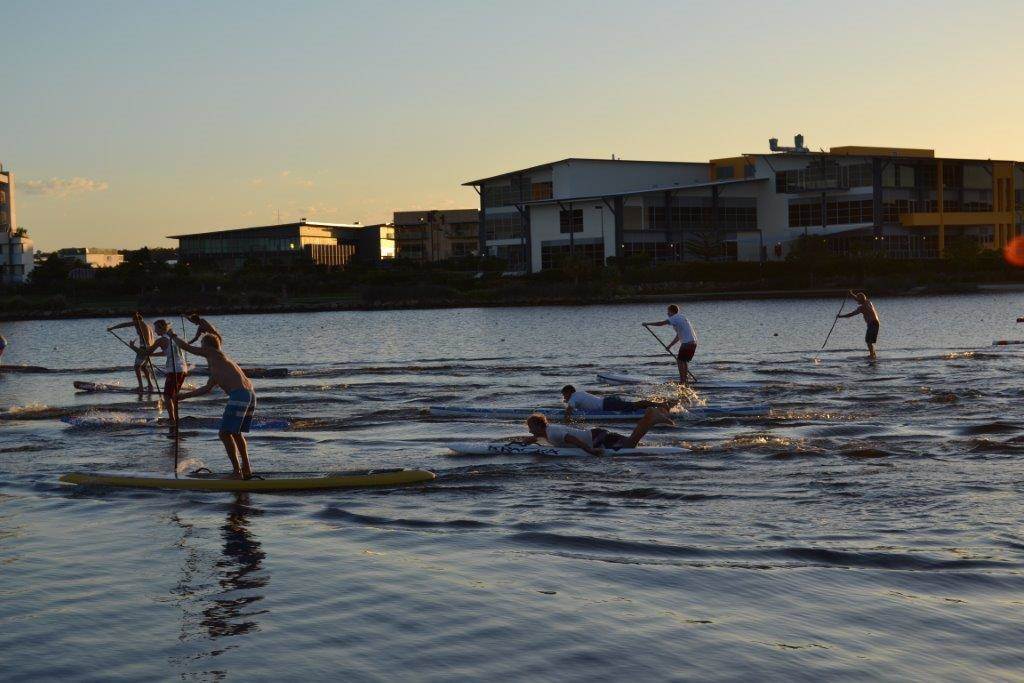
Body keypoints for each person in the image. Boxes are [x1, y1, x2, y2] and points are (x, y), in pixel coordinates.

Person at [174, 333, 256, 479]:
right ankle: (246, 469)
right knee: (235, 433)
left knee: (224, 433)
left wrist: (171, 334)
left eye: (202, 346)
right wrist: (183, 397)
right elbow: (206, 389)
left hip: (239, 394)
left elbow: (186, 347)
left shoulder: (213, 353)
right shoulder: (219, 364)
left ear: (207, 346)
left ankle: (237, 472)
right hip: (250, 394)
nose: (201, 349)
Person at [517, 407, 675, 455]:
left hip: (598, 438)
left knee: (630, 445)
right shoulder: (547, 431)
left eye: (530, 427)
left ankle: (651, 419)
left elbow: (572, 439)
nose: (529, 431)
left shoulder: (552, 433)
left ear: (538, 426)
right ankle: (649, 417)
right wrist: (525, 442)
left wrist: (590, 451)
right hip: (596, 435)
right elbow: (537, 438)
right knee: (630, 442)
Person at [142, 319, 189, 429]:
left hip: (174, 370)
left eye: (156, 328)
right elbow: (166, 352)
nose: (154, 331)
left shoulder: (161, 340)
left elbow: (145, 352)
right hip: (183, 368)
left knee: (167, 396)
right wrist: (152, 356)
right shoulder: (173, 337)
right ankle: (175, 417)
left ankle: (172, 419)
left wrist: (132, 347)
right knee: (173, 395)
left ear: (161, 328)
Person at [644, 304, 698, 384]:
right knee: (683, 361)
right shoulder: (682, 317)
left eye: (668, 311)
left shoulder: (674, 318)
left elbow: (661, 323)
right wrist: (670, 346)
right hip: (693, 343)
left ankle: (682, 381)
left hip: (687, 343)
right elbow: (678, 336)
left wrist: (647, 324)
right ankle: (685, 380)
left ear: (672, 311)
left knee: (680, 361)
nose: (667, 313)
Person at [561, 384, 676, 421]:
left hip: (608, 405)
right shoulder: (579, 393)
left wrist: (566, 421)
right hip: (608, 401)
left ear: (569, 392)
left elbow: (569, 410)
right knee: (634, 406)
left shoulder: (574, 397)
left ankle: (662, 405)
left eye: (564, 394)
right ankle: (660, 406)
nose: (564, 397)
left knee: (635, 405)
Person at [108, 312, 159, 392]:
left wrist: (112, 328)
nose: (134, 325)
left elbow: (125, 324)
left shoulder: (140, 323)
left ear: (136, 320)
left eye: (134, 322)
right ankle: (150, 385)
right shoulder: (147, 326)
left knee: (136, 367)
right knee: (144, 367)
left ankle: (141, 386)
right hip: (149, 348)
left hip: (144, 348)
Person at [837, 291, 880, 359]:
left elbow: (851, 314)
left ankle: (872, 356)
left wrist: (840, 316)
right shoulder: (868, 302)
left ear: (860, 300)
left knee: (868, 341)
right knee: (869, 341)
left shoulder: (862, 308)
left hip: (872, 323)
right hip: (875, 323)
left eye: (858, 300)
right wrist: (851, 294)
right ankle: (873, 354)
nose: (857, 301)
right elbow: (860, 299)